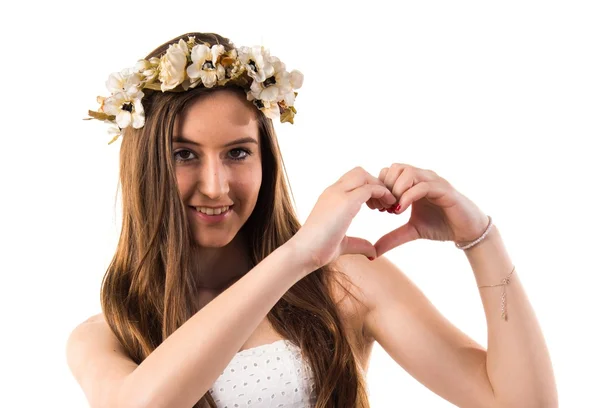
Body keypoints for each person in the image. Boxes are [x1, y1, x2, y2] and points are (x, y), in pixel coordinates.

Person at [65, 32, 558, 408]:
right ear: (144, 167)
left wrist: (480, 237)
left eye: (238, 152)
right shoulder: (106, 334)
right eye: (183, 155)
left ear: (267, 163)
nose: (215, 186)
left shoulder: (345, 283)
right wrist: (296, 256)